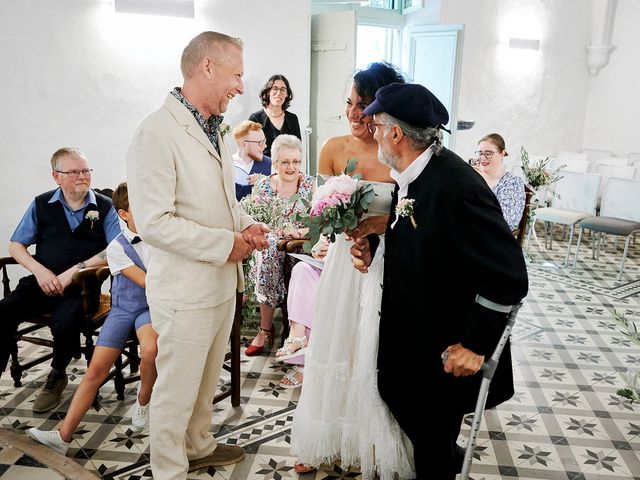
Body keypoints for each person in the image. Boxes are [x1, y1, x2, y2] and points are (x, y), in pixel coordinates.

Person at [350, 83, 529, 479]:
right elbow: (427, 239)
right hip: (413, 336)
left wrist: (476, 346)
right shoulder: (414, 173)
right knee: (400, 400)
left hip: (446, 348)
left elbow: (508, 275)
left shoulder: (457, 187)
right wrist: (378, 245)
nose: (372, 131)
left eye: (376, 124)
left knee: (430, 436)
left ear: (396, 133)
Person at [126, 31, 269, 479]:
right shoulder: (155, 133)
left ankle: (198, 444)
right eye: (237, 74)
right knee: (176, 388)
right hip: (186, 290)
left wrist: (243, 223)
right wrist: (226, 244)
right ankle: (168, 468)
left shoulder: (215, 127)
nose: (242, 86)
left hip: (221, 284)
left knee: (206, 381)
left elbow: (221, 198)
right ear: (207, 67)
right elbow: (154, 223)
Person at [290, 62, 415, 480]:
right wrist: (330, 231)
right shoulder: (332, 148)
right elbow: (318, 214)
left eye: (363, 105)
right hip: (344, 266)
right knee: (334, 343)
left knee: (371, 350)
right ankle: (320, 438)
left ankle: (370, 444)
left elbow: (411, 217)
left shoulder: (397, 153)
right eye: (349, 102)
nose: (353, 113)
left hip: (384, 266)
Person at [26, 181, 157, 455]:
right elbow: (146, 281)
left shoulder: (160, 239)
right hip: (123, 310)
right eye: (140, 207)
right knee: (95, 372)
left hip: (150, 308)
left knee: (150, 349)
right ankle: (63, 436)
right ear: (124, 214)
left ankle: (143, 402)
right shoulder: (117, 248)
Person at [0, 147, 120, 413]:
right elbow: (16, 246)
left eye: (86, 170)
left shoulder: (105, 206)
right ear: (57, 177)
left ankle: (56, 374)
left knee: (64, 323)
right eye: (74, 171)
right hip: (42, 282)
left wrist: (75, 271)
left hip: (83, 288)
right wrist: (39, 271)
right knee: (4, 310)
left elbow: (116, 249)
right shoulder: (41, 204)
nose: (82, 176)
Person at [244, 134, 315, 357]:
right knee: (269, 249)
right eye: (285, 162)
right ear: (274, 163)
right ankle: (266, 327)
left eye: (295, 161)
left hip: (300, 243)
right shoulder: (264, 185)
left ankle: (294, 326)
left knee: (275, 249)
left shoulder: (310, 185)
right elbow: (255, 220)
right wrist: (273, 232)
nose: (291, 167)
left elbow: (320, 222)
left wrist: (300, 231)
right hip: (270, 242)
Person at [274, 236, 329, 389]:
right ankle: (297, 335)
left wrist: (333, 253)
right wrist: (318, 248)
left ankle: (302, 362)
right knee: (301, 269)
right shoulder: (332, 213)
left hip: (351, 267)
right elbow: (323, 236)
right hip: (325, 265)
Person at [471, 133, 525, 230]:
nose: (483, 157)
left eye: (488, 153)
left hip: (491, 236)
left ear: (502, 154)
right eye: (480, 153)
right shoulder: (473, 177)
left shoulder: (512, 183)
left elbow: (508, 221)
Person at [248, 74, 301, 157]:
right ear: (268, 92)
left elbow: (297, 149)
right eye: (275, 89)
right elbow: (250, 150)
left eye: (283, 89)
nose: (279, 93)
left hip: (287, 168)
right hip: (262, 167)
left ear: (287, 94)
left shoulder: (292, 118)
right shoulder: (256, 118)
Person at [232, 120, 273, 200]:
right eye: (260, 143)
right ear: (243, 144)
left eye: (264, 141)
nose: (265, 146)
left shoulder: (271, 165)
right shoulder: (227, 165)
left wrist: (266, 182)